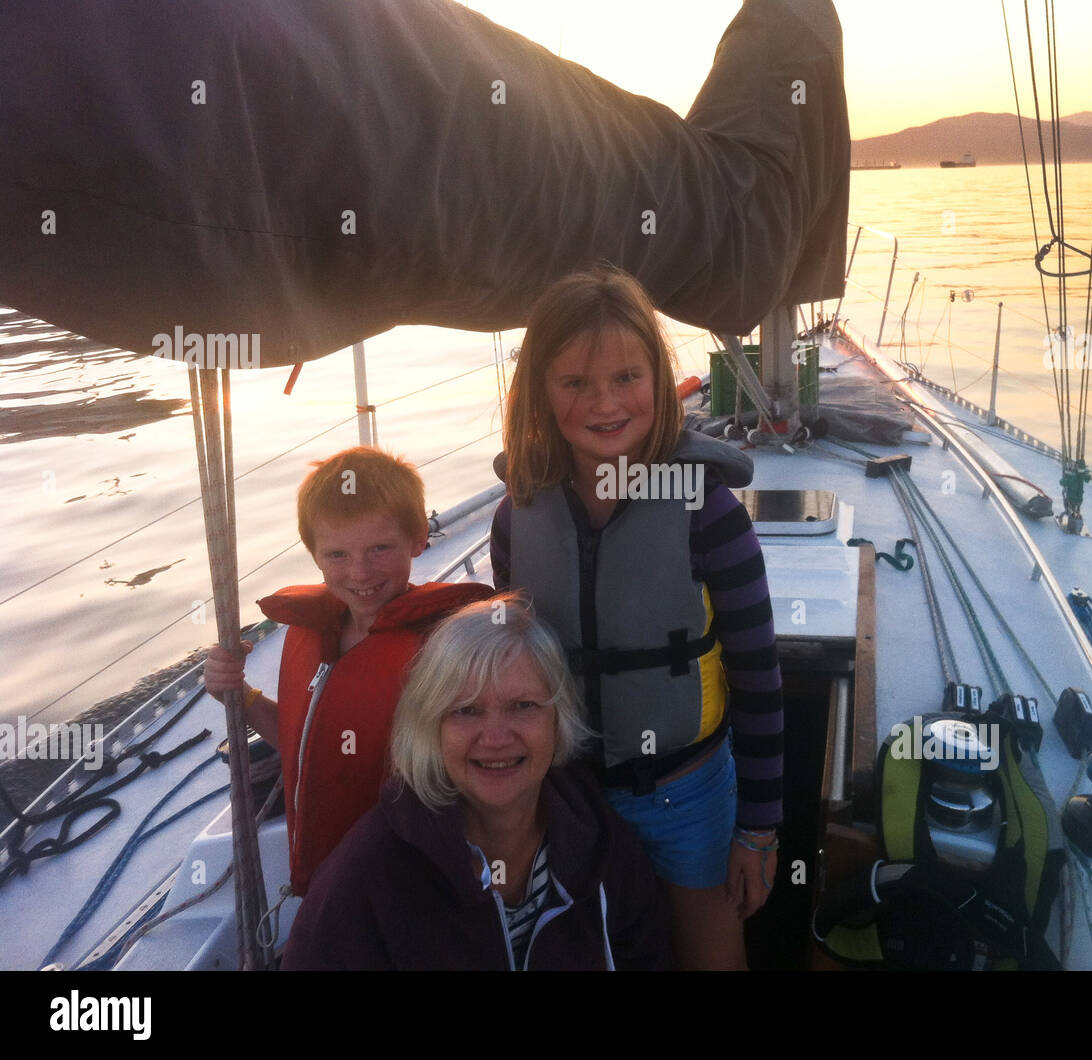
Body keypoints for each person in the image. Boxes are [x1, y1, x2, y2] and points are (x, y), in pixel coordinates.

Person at [490, 265, 783, 970]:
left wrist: (761, 831)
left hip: (687, 797)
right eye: (574, 383)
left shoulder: (710, 515)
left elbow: (760, 678)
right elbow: (508, 668)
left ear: (660, 377)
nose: (605, 403)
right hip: (563, 797)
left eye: (627, 377)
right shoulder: (516, 517)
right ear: (537, 390)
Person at [282, 594, 671, 970]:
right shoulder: (365, 882)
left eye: (523, 706)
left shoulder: (601, 842)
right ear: (431, 727)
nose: (496, 738)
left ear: (558, 718)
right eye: (466, 710)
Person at [202, 446, 491, 895]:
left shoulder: (447, 648)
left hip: (410, 882)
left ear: (418, 540)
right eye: (337, 555)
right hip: (330, 880)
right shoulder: (309, 636)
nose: (360, 572)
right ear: (313, 554)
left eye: (380, 548)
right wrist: (240, 696)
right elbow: (305, 742)